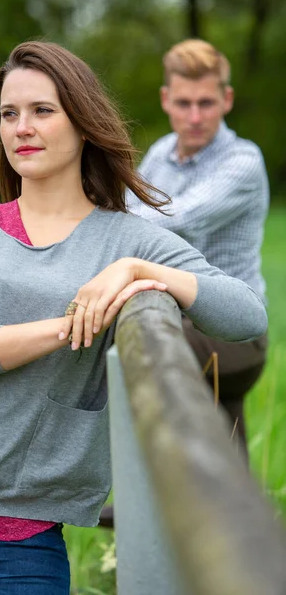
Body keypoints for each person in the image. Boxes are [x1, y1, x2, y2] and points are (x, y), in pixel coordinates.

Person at [0, 41, 267, 594]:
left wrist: (136, 270)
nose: (22, 127)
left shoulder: (130, 240)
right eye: (9, 114)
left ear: (83, 123)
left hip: (27, 538)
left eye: (43, 111)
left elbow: (245, 315)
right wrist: (73, 323)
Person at [126, 39, 269, 452]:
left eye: (205, 103)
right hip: (186, 318)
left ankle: (144, 498)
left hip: (234, 333)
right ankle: (181, 509)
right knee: (227, 455)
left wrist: (95, 221)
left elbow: (180, 219)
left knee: (140, 340)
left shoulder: (242, 161)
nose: (194, 117)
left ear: (226, 100)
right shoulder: (159, 153)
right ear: (165, 99)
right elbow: (129, 210)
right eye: (183, 102)